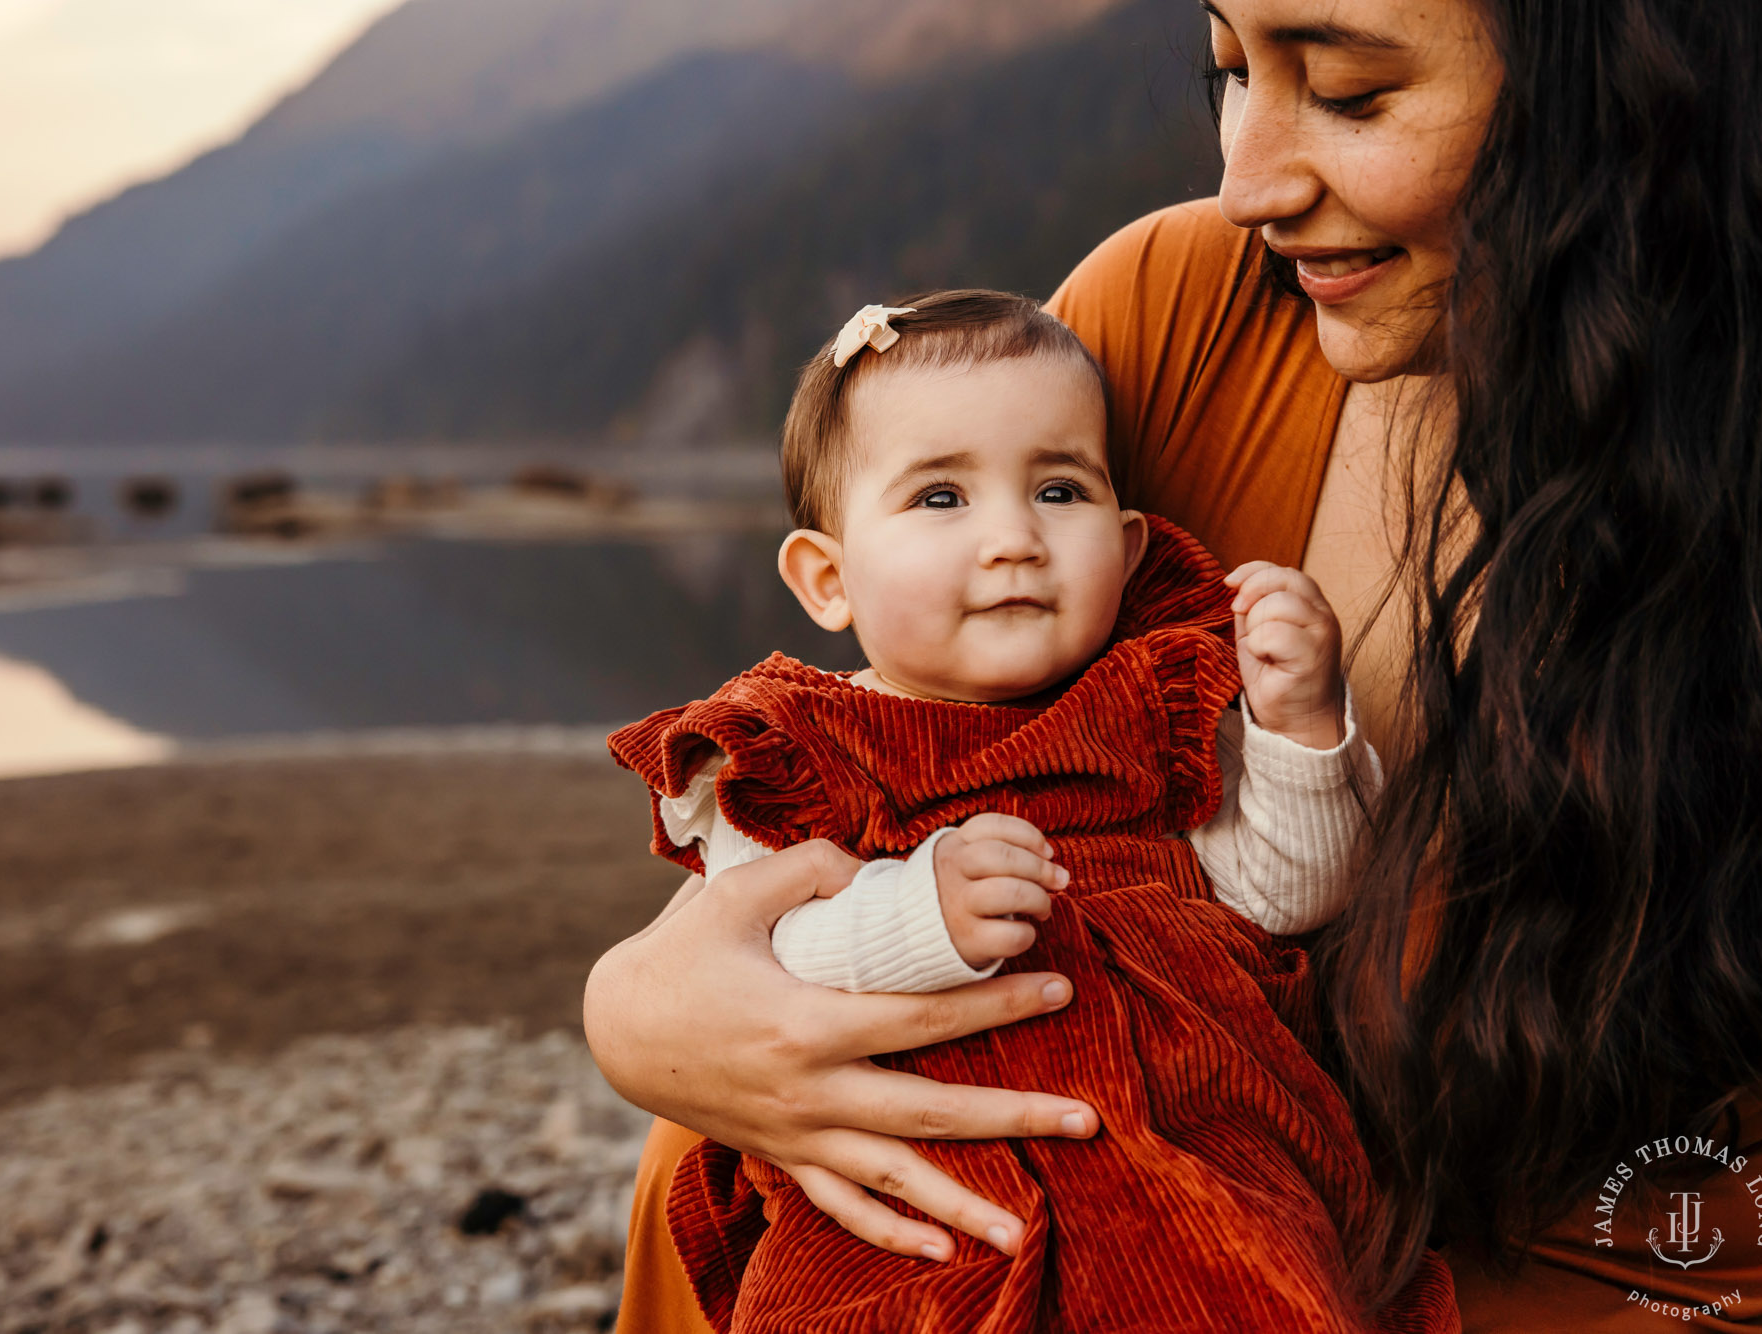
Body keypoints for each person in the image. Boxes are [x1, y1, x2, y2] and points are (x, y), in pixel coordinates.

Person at [586, 0, 1762, 1328]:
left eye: (1347, 93)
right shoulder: (1177, 314)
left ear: (1629, 94)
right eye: (1227, 67)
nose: (1247, 182)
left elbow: (1264, 875)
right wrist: (638, 1008)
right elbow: (881, 689)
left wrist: (1299, 739)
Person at [607, 290, 1449, 1330]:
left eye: (1058, 488)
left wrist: (1299, 728)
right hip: (917, 1193)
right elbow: (744, 958)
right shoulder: (790, 747)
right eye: (938, 499)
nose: (1012, 537)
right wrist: (917, 916)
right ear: (826, 578)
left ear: (1131, 545)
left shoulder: (1158, 702)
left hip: (1193, 1161)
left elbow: (1282, 897)